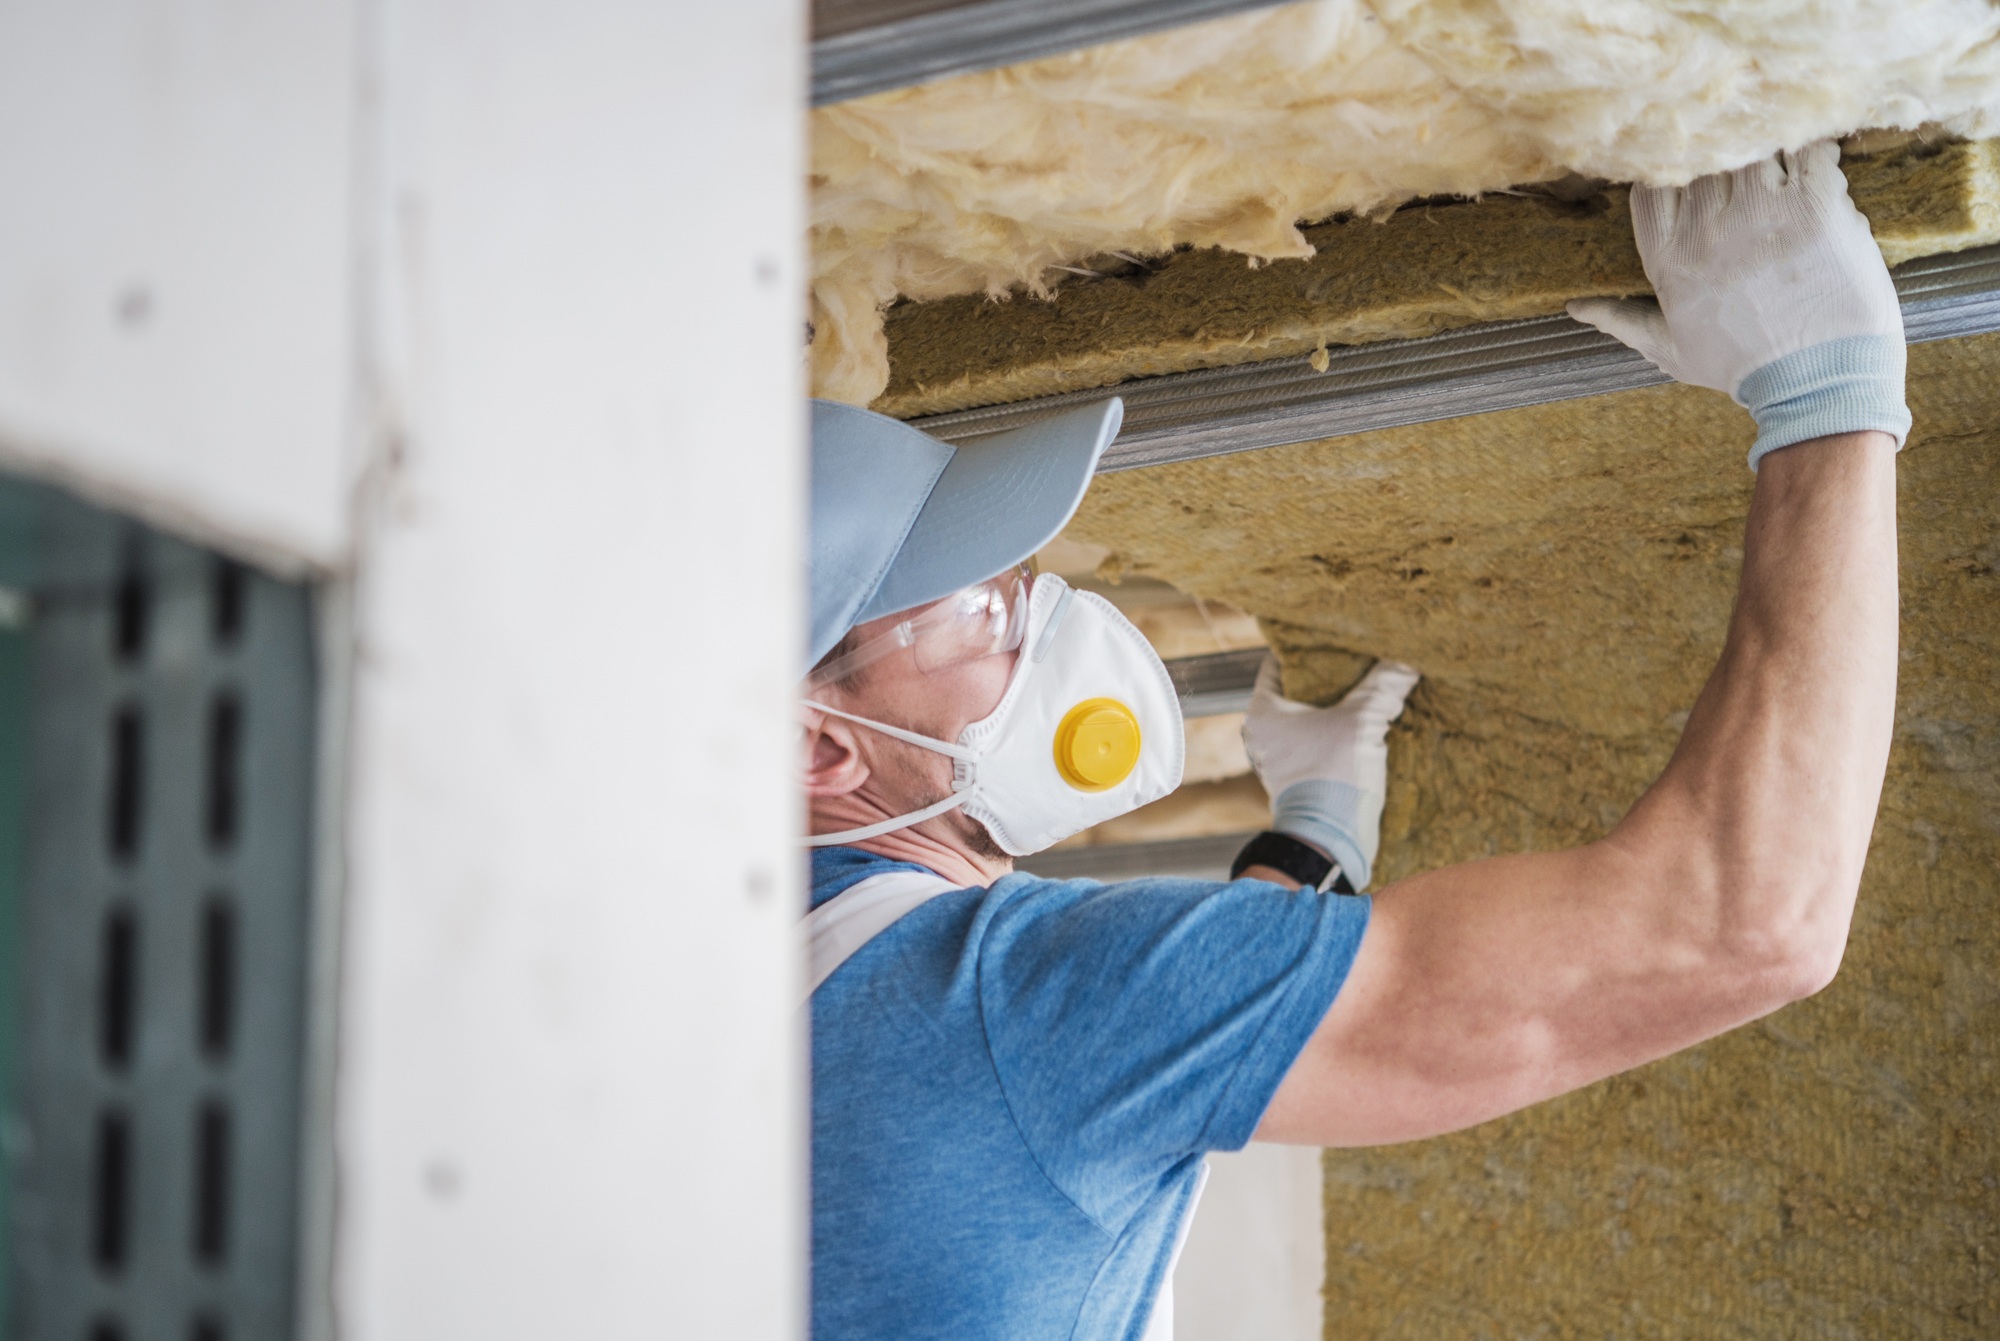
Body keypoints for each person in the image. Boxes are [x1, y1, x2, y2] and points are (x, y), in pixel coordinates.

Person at [800, 140, 1907, 1340]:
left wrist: (1313, 837)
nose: (1041, 602)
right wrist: (1823, 402)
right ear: (820, 755)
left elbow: (1111, 1057)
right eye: (976, 608)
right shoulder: (1008, 1010)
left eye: (1012, 565)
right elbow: (1735, 924)